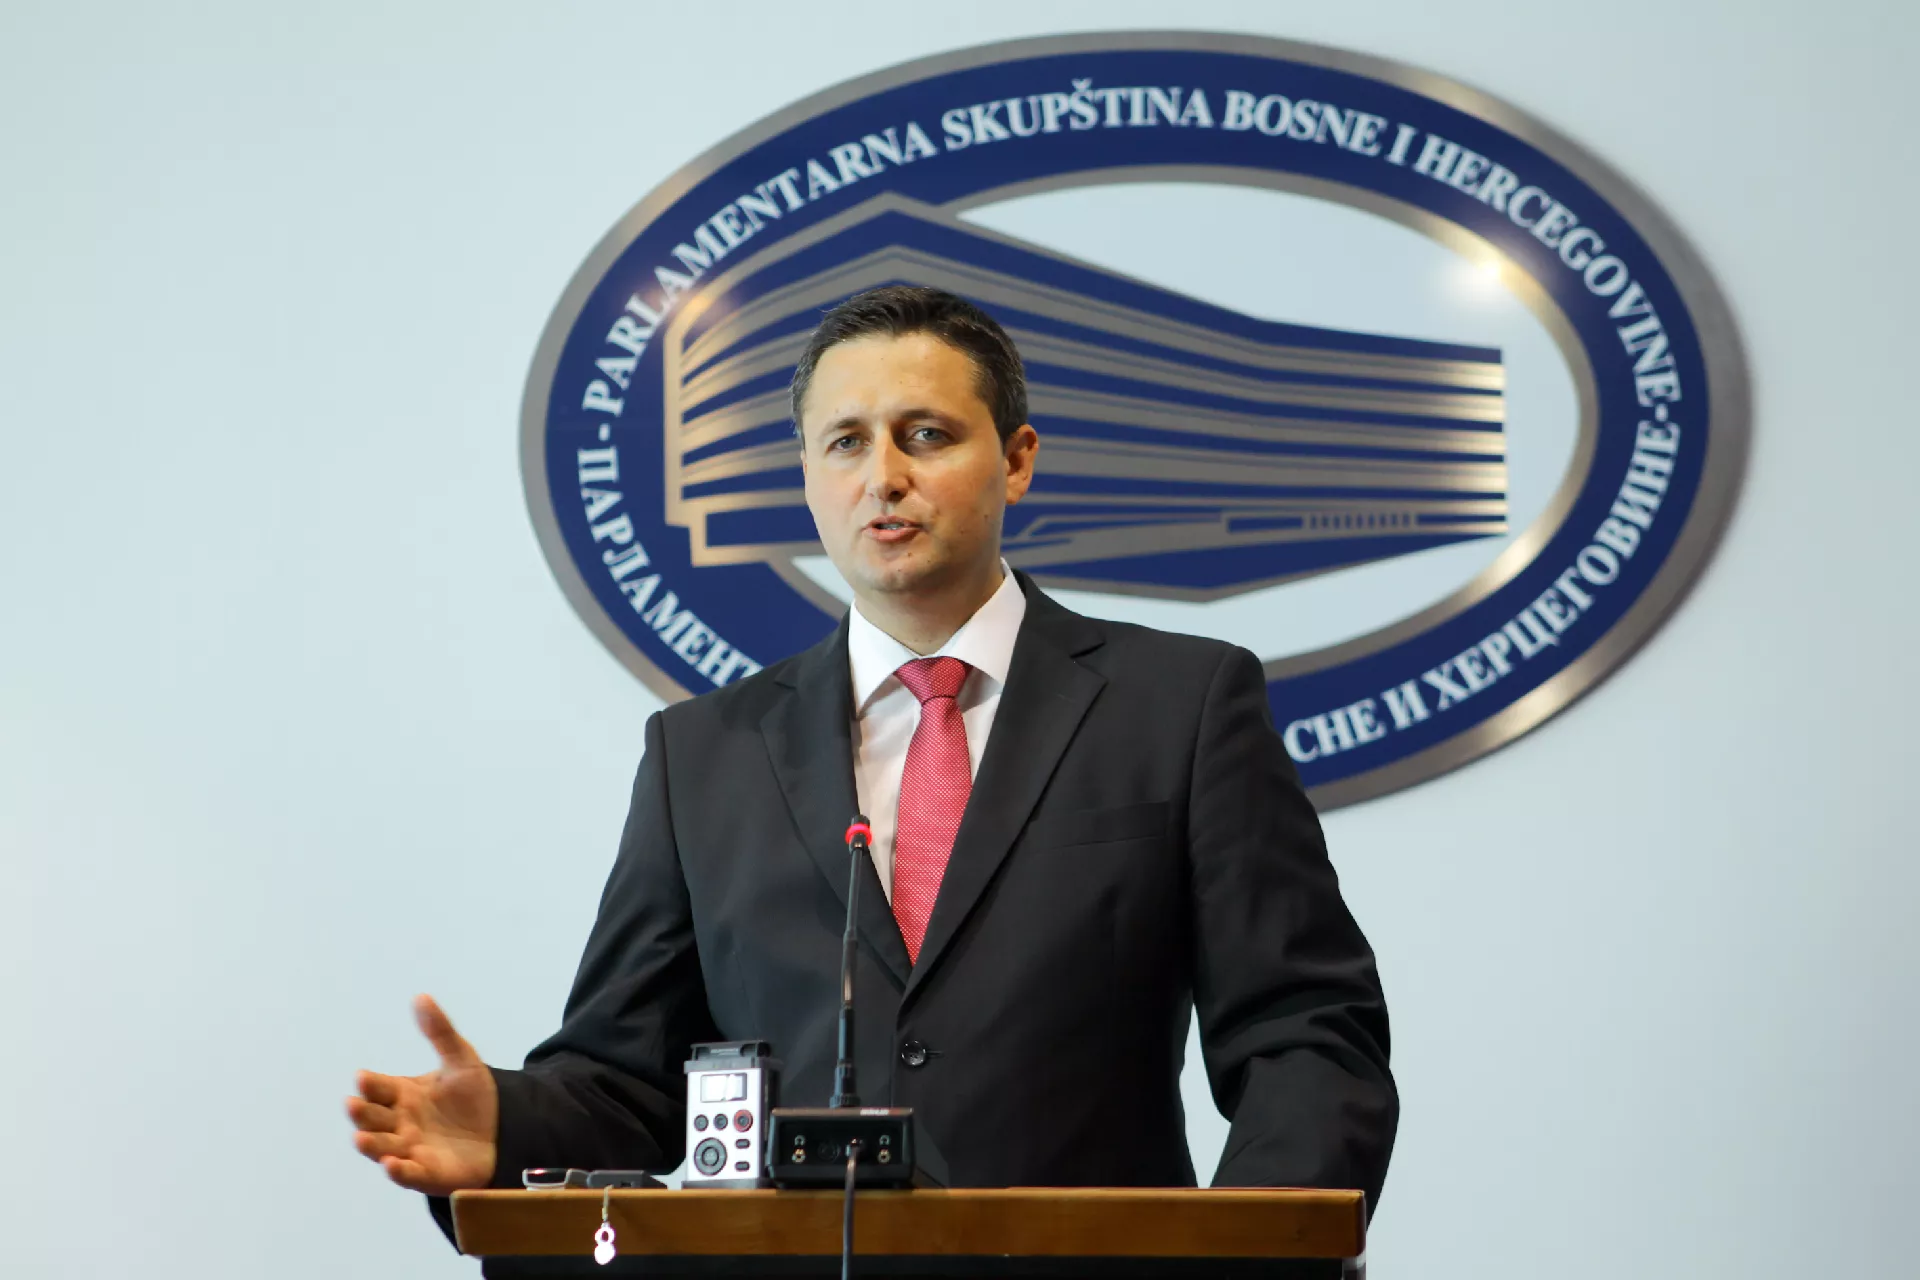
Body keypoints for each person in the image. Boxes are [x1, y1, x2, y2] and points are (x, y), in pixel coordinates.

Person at [346, 285, 1397, 1231]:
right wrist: (507, 1128)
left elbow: (1305, 1033)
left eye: (925, 434)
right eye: (845, 442)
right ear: (807, 476)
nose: (883, 477)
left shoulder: (1180, 706)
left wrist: (1242, 1256)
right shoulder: (702, 754)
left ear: (1017, 459)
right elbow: (629, 1083)